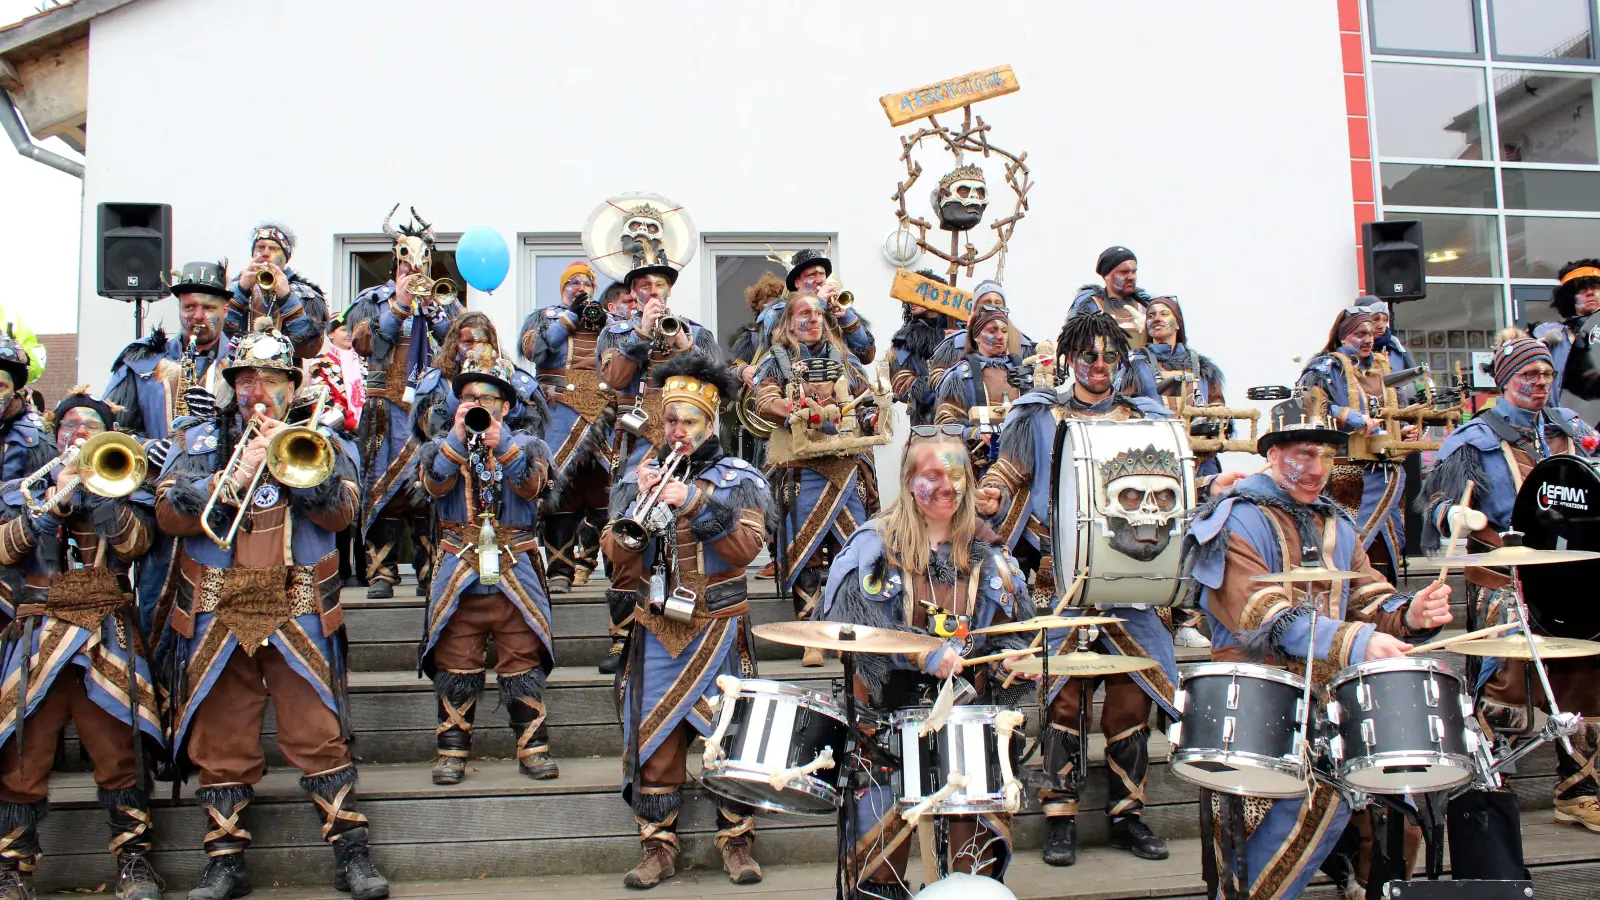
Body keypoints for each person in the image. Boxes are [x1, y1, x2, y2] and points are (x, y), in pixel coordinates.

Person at [1181, 398, 1452, 900]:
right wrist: (1357, 640)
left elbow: (1367, 597)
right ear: (1272, 454)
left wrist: (1409, 614)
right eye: (1303, 454)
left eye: (1326, 456)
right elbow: (1260, 612)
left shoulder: (1338, 522)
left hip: (1334, 704)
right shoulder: (1235, 518)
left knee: (1404, 813)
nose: (1316, 469)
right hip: (1258, 705)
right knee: (1269, 843)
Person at [153, 325, 387, 900]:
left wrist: (293, 463)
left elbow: (342, 514)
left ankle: (351, 854)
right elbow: (167, 514)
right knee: (221, 735)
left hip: (297, 602)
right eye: (247, 380)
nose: (257, 391)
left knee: (317, 730)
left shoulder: (323, 439)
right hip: (217, 604)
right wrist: (229, 478)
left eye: (271, 380)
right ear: (232, 385)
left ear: (292, 384)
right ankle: (224, 862)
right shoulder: (197, 440)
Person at [974, 311, 1175, 866]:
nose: (1100, 364)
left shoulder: (1144, 418)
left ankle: (1128, 814)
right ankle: (1059, 816)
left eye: (1110, 355)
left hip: (1130, 577)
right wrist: (990, 492)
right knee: (1062, 695)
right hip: (1057, 575)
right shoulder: (1039, 414)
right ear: (1069, 359)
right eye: (1089, 355)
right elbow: (1009, 471)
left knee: (1133, 694)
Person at [821, 435, 1032, 900]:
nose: (947, 487)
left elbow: (1012, 631)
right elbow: (853, 628)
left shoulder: (988, 553)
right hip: (884, 720)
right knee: (878, 862)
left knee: (975, 863)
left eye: (956, 475)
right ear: (908, 480)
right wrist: (922, 652)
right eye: (932, 476)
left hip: (966, 722)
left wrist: (1015, 662)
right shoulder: (874, 546)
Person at [600, 356, 770, 889]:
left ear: (710, 423)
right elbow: (617, 562)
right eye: (670, 419)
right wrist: (638, 504)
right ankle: (657, 847)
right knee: (655, 736)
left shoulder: (739, 478)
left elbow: (748, 549)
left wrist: (694, 500)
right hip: (657, 626)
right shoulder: (640, 473)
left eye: (688, 420)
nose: (676, 430)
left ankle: (737, 841)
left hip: (719, 626)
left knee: (729, 734)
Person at [1419, 332, 1600, 833]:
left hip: (1569, 573)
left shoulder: (1571, 427)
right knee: (1506, 671)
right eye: (1528, 375)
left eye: (1546, 374)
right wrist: (1455, 515)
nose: (1539, 383)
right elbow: (1435, 502)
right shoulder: (1474, 437)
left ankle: (1579, 789)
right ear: (1504, 381)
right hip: (1503, 572)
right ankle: (1489, 786)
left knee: (1588, 664)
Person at [0, 389, 163, 900]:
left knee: (118, 748)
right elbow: (4, 550)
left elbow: (136, 546)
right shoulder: (20, 492)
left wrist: (100, 495)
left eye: (91, 426)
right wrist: (52, 506)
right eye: (70, 425)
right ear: (55, 437)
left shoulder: (126, 487)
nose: (79, 434)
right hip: (38, 632)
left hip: (106, 630)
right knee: (23, 753)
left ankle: (134, 861)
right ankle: (13, 869)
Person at [417, 349, 557, 786]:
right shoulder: (439, 447)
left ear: (507, 406)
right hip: (459, 571)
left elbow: (534, 490)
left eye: (488, 398)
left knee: (522, 659)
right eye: (469, 398)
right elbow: (433, 487)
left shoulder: (530, 446)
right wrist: (457, 441)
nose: (479, 404)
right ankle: (451, 753)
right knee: (455, 660)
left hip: (516, 570)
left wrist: (506, 448)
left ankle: (534, 748)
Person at [105, 260, 239, 629]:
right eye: (189, 306)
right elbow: (111, 427)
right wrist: (146, 448)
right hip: (155, 500)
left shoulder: (244, 358)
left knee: (218, 607)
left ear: (226, 309)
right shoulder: (142, 359)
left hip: (221, 499)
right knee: (155, 603)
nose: (198, 316)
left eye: (209, 307)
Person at [754, 292, 883, 667]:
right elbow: (764, 400)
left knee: (855, 551)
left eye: (818, 314)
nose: (812, 319)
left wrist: (873, 416)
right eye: (803, 313)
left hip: (845, 465)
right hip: (800, 467)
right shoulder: (775, 360)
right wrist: (799, 411)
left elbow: (866, 402)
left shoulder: (846, 359)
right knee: (805, 554)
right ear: (788, 322)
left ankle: (848, 631)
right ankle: (811, 639)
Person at [346, 206, 465, 599]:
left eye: (420, 258)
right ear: (395, 260)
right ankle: (381, 572)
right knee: (384, 491)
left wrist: (436, 314)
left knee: (430, 485)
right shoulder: (372, 300)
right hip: (385, 407)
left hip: (431, 410)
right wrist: (399, 304)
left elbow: (461, 348)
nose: (413, 265)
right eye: (405, 258)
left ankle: (431, 571)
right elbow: (364, 343)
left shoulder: (446, 300)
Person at [1128, 296, 1228, 649]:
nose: (1156, 319)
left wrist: (1210, 424)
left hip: (1201, 462)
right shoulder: (1135, 364)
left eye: (1164, 314)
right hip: (1157, 464)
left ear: (1178, 321)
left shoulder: (1203, 366)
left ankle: (1190, 619)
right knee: (1157, 535)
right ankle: (1155, 618)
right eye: (1151, 314)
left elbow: (1219, 409)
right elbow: (1126, 407)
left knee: (1198, 537)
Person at [1298, 306, 1412, 582]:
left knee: (1385, 549)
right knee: (1347, 541)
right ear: (1344, 336)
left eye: (1371, 333)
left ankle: (1383, 599)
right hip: (1346, 472)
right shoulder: (1325, 367)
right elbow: (1308, 405)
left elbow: (1390, 412)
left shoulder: (1381, 368)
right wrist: (1351, 418)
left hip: (1385, 469)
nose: (1368, 339)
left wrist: (1401, 430)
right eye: (1360, 333)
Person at [522, 263, 614, 598]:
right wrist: (569, 319)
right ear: (562, 288)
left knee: (608, 491)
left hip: (604, 414)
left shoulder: (609, 319)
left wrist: (609, 323)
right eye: (572, 282)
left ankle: (618, 568)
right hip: (559, 413)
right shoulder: (543, 317)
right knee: (557, 492)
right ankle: (559, 570)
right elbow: (533, 351)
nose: (579, 287)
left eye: (585, 282)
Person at [933, 305, 1033, 476]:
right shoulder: (960, 376)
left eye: (1004, 330)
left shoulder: (1025, 372)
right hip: (978, 471)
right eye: (992, 331)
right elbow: (944, 425)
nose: (1000, 336)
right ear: (976, 336)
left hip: (1022, 468)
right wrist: (975, 433)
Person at [756, 248, 876, 363]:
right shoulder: (780, 311)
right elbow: (781, 342)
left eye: (822, 274)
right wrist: (818, 304)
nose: (819, 280)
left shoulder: (836, 306)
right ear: (797, 282)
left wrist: (846, 316)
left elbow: (867, 355)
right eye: (812, 275)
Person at [228, 222, 328, 359]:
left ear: (286, 257)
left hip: (283, 369)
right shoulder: (234, 288)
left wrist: (287, 298)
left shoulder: (305, 294)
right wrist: (240, 291)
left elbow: (309, 349)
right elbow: (221, 335)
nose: (265, 253)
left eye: (273, 248)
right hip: (241, 368)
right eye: (260, 247)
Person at [926, 279, 1037, 392]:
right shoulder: (956, 343)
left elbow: (1035, 381)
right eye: (986, 303)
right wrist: (957, 385)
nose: (993, 307)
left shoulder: (1022, 344)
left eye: (998, 303)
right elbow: (936, 380)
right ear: (975, 309)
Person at [890, 270, 962, 427]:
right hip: (926, 423)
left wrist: (963, 343)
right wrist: (942, 385)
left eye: (918, 292)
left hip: (965, 420)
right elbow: (902, 384)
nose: (912, 300)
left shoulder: (963, 332)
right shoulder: (904, 339)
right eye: (910, 294)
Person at [1535, 259, 1600, 405]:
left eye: (1595, 287)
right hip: (1561, 414)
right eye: (1582, 289)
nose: (1590, 292)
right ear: (1570, 298)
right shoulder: (1547, 332)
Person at [1070, 246, 1152, 350]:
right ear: (1106, 275)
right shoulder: (1091, 304)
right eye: (1124, 272)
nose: (1131, 277)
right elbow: (1073, 345)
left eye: (1134, 271)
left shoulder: (1147, 307)